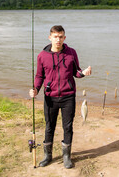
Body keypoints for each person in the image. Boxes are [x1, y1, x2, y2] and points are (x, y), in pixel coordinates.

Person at [29, 25, 91, 169]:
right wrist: (36, 89)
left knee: (67, 127)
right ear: (50, 38)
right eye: (55, 37)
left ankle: (66, 156)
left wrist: (84, 73)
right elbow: (39, 76)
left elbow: (76, 71)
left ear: (64, 38)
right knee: (49, 126)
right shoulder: (42, 56)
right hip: (50, 97)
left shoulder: (71, 53)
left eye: (61, 36)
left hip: (68, 96)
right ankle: (47, 156)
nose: (58, 40)